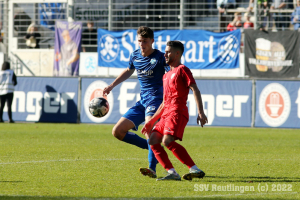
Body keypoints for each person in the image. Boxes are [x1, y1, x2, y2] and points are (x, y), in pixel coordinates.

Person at [103, 26, 168, 179]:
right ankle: (154, 149)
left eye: (145, 41)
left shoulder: (160, 57)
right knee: (117, 132)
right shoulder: (135, 55)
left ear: (152, 41)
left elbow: (173, 73)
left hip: (156, 101)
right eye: (139, 41)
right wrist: (112, 85)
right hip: (142, 101)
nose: (142, 44)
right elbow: (128, 70)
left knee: (149, 130)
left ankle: (152, 168)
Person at [141, 41, 208, 181]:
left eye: (168, 52)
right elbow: (164, 102)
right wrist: (151, 121)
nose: (165, 54)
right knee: (152, 140)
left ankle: (194, 169)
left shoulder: (183, 69)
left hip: (177, 111)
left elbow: (195, 89)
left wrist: (201, 112)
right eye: (165, 51)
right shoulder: (166, 76)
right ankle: (172, 173)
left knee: (167, 141)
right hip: (165, 114)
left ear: (177, 54)